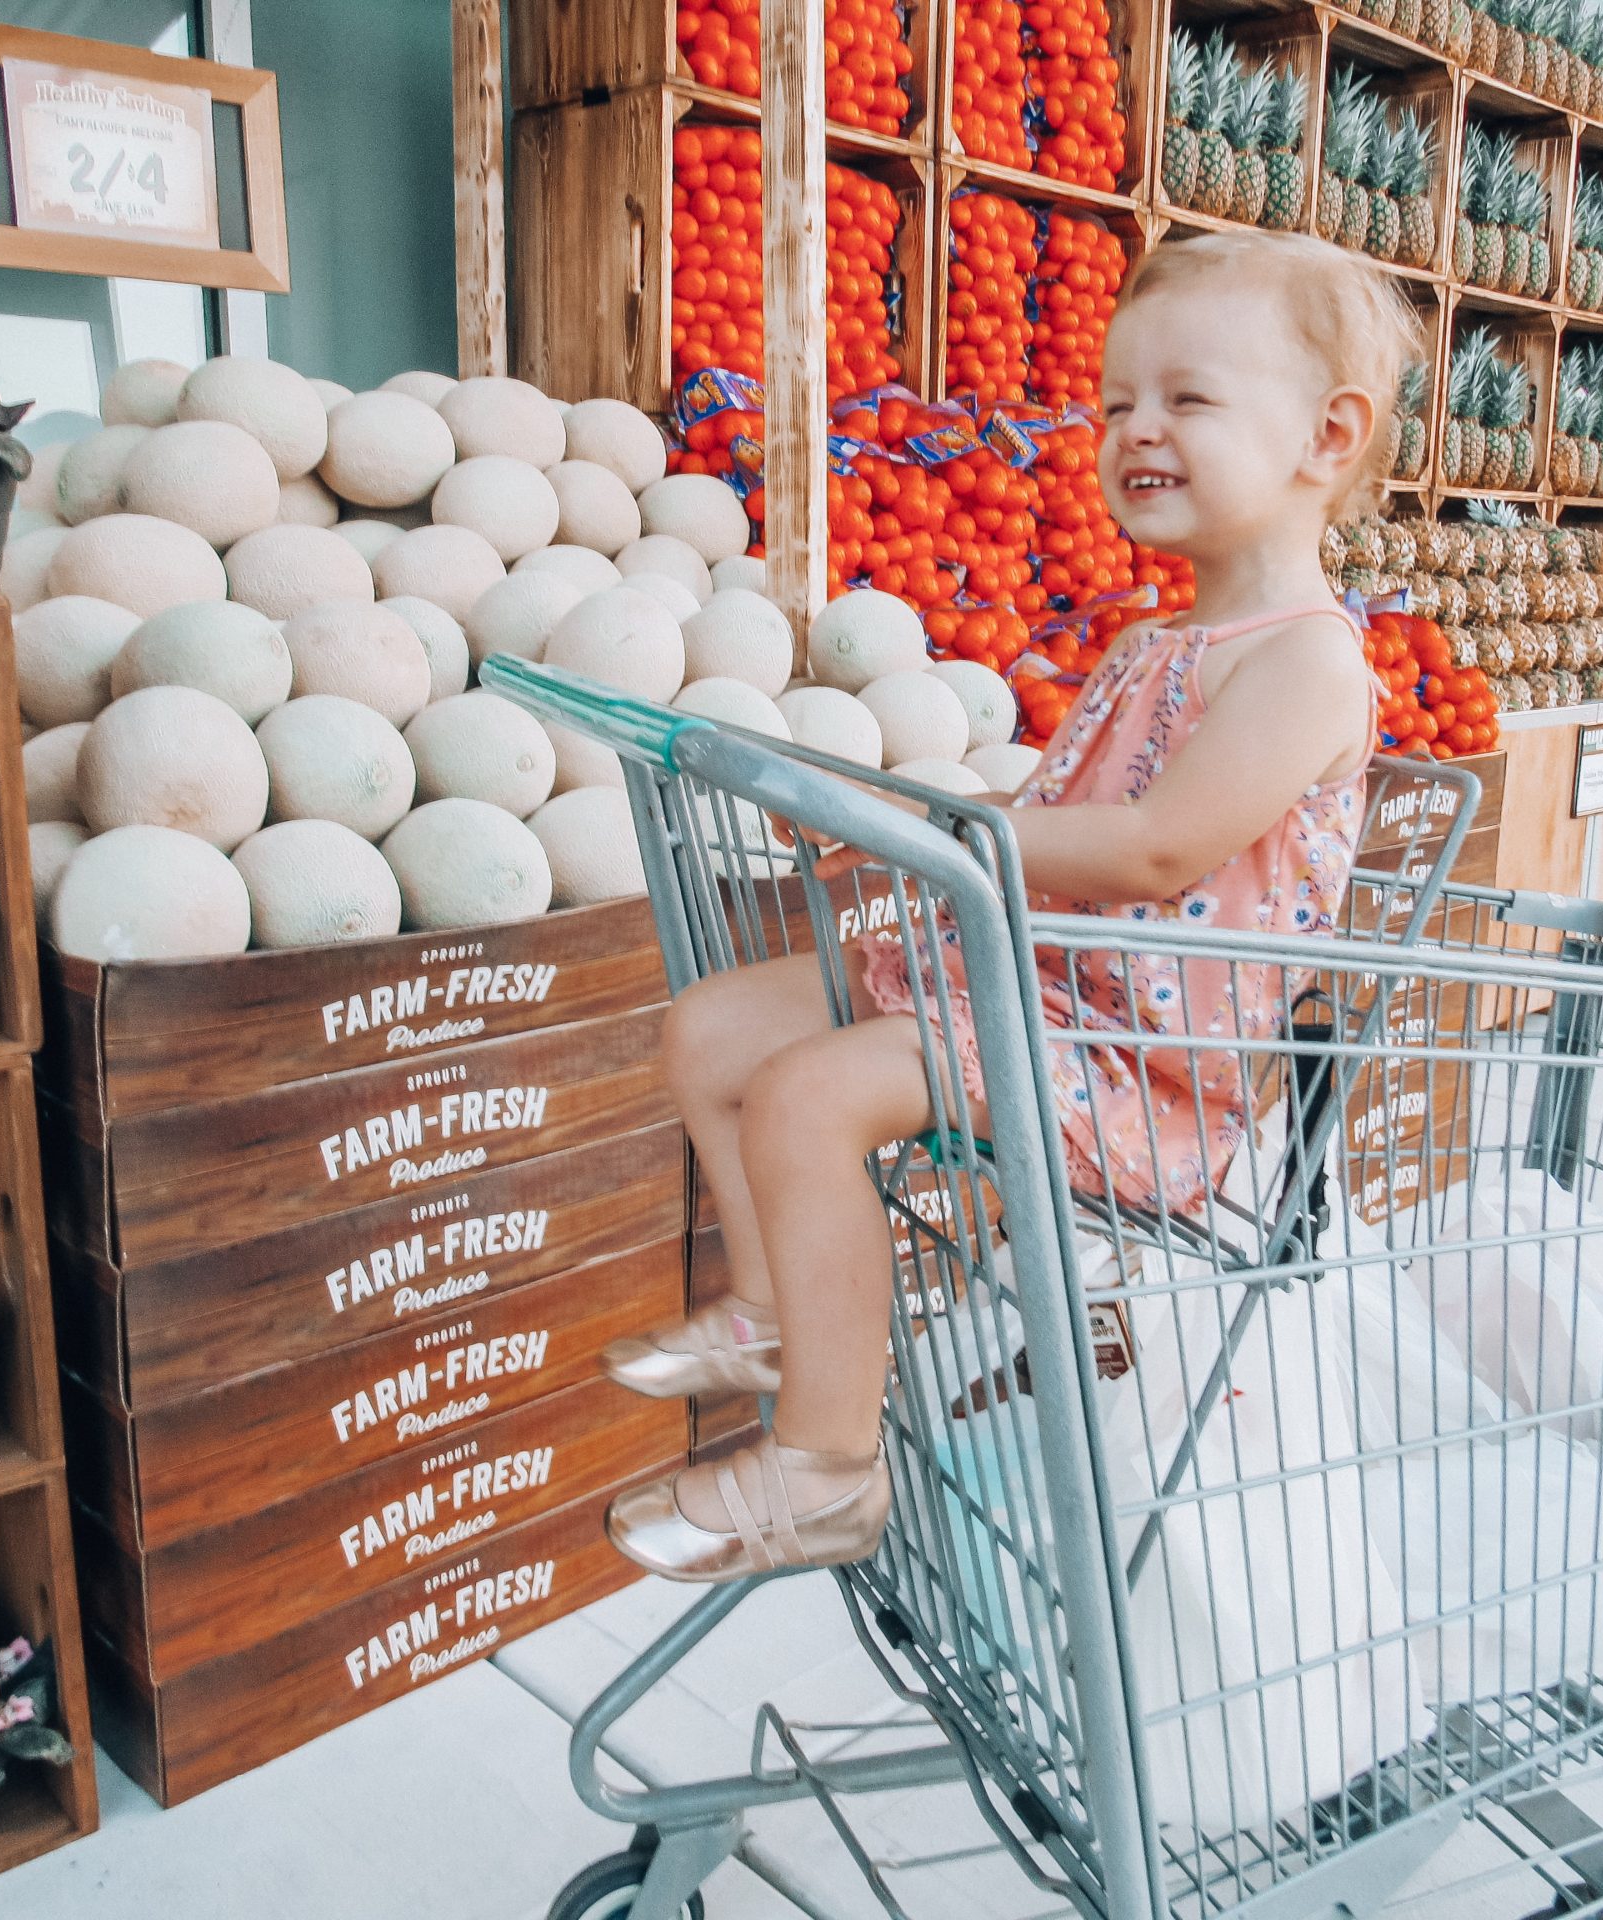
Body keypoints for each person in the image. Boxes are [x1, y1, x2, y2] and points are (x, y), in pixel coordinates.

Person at [601, 230, 1423, 1583]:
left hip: (1144, 1068)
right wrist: (915, 849)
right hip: (1040, 997)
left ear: (1327, 439)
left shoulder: (1308, 665)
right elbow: (1051, 820)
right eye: (1116, 405)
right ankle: (768, 1309)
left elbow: (1158, 850)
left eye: (1187, 399)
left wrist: (940, 836)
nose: (1134, 430)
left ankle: (824, 1470)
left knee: (811, 1096)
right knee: (715, 1027)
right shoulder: (1147, 647)